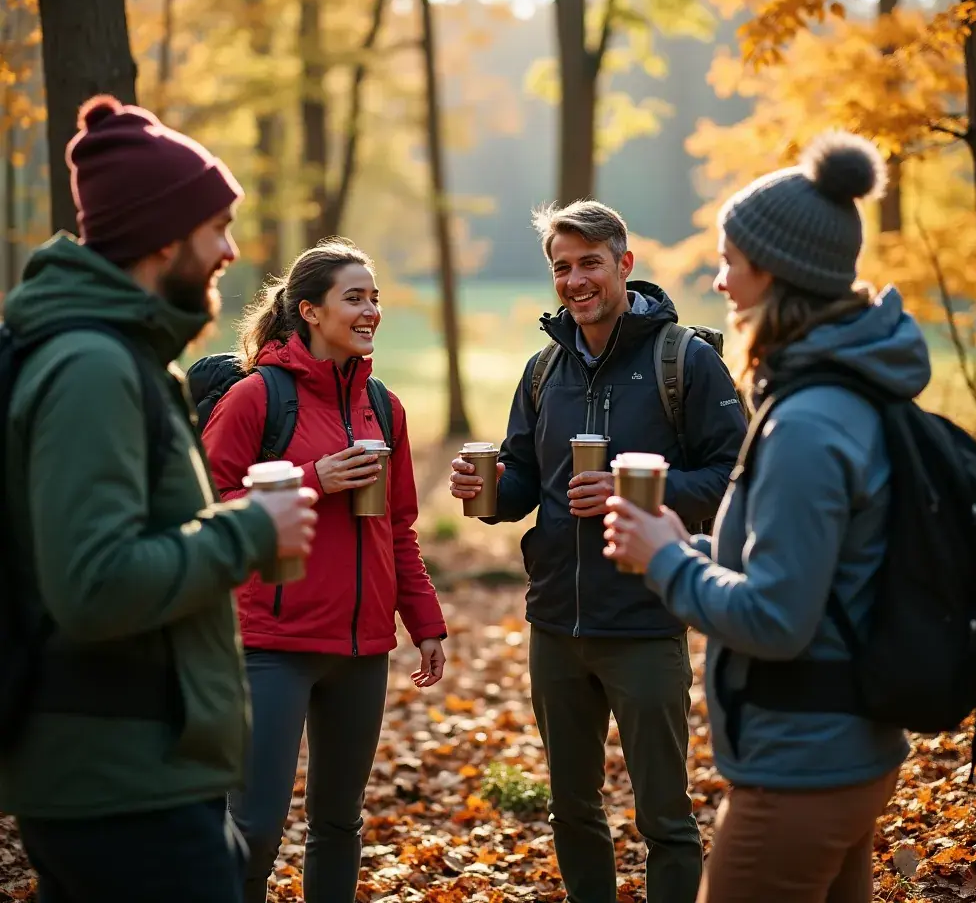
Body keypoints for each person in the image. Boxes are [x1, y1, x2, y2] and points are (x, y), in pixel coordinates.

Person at [0, 95, 318, 903]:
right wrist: (248, 529)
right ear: (163, 237)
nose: (229, 250)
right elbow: (94, 582)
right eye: (215, 227)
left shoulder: (114, 354)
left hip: (132, 767)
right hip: (122, 783)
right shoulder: (91, 367)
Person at [604, 132, 927, 903]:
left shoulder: (810, 421)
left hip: (802, 765)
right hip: (849, 747)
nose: (718, 280)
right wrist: (698, 545)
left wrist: (668, 561)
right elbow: (810, 563)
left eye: (730, 261)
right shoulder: (848, 392)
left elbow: (778, 617)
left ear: (775, 272)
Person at [449, 201, 747, 903]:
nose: (576, 279)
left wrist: (640, 491)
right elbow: (523, 480)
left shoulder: (685, 360)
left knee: (665, 817)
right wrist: (486, 489)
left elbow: (735, 475)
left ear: (623, 265)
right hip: (555, 624)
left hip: (644, 618)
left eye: (589, 263)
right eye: (562, 266)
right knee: (573, 810)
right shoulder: (543, 369)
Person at [201, 239, 448, 903]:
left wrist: (424, 623)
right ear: (309, 310)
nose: (371, 311)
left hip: (362, 650)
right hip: (272, 646)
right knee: (253, 828)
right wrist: (315, 479)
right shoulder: (258, 397)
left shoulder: (384, 406)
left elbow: (397, 527)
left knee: (339, 824)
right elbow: (205, 507)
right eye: (355, 298)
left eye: (375, 298)